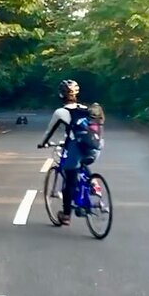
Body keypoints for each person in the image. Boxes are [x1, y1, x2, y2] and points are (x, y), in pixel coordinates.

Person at [40, 79, 98, 225]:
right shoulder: (85, 108)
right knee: (83, 165)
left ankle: (66, 216)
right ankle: (94, 184)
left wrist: (43, 143)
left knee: (70, 180)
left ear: (61, 95)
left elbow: (49, 131)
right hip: (93, 145)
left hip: (76, 146)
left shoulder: (61, 112)